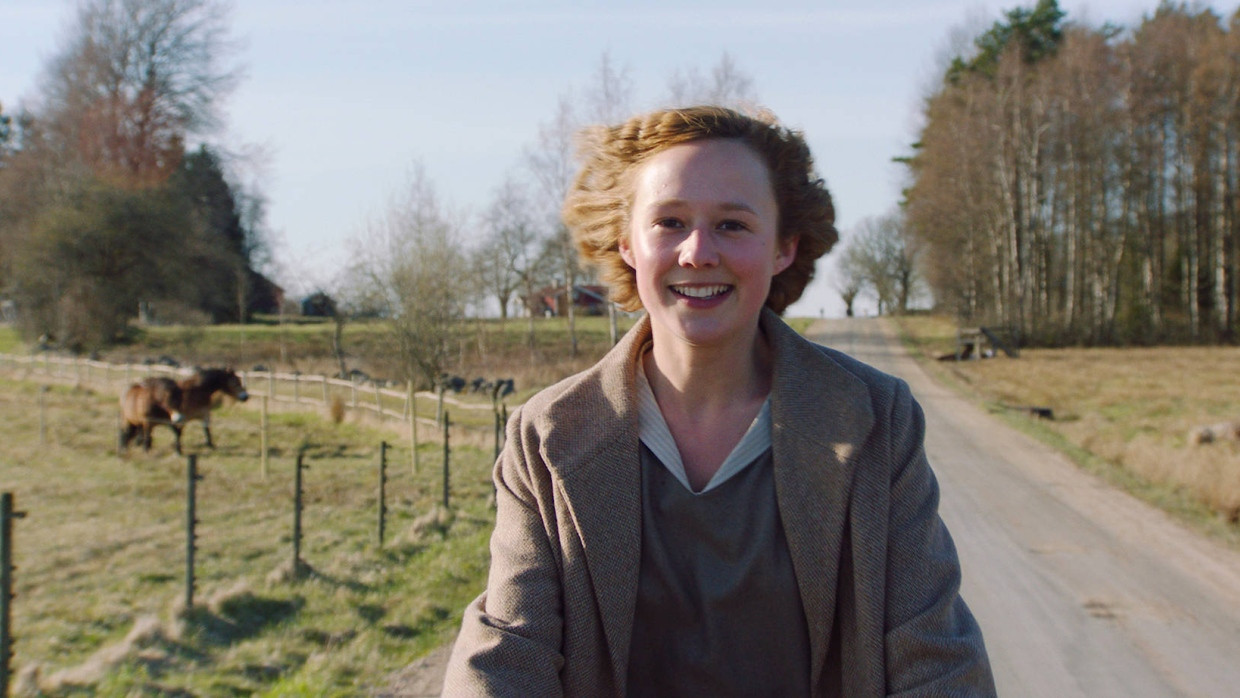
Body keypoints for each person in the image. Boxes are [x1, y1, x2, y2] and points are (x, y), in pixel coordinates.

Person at [443, 105, 995, 696]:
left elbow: (932, 655)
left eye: (733, 224)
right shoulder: (546, 437)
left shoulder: (877, 420)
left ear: (783, 247)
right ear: (627, 242)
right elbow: (507, 655)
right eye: (670, 222)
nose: (698, 252)